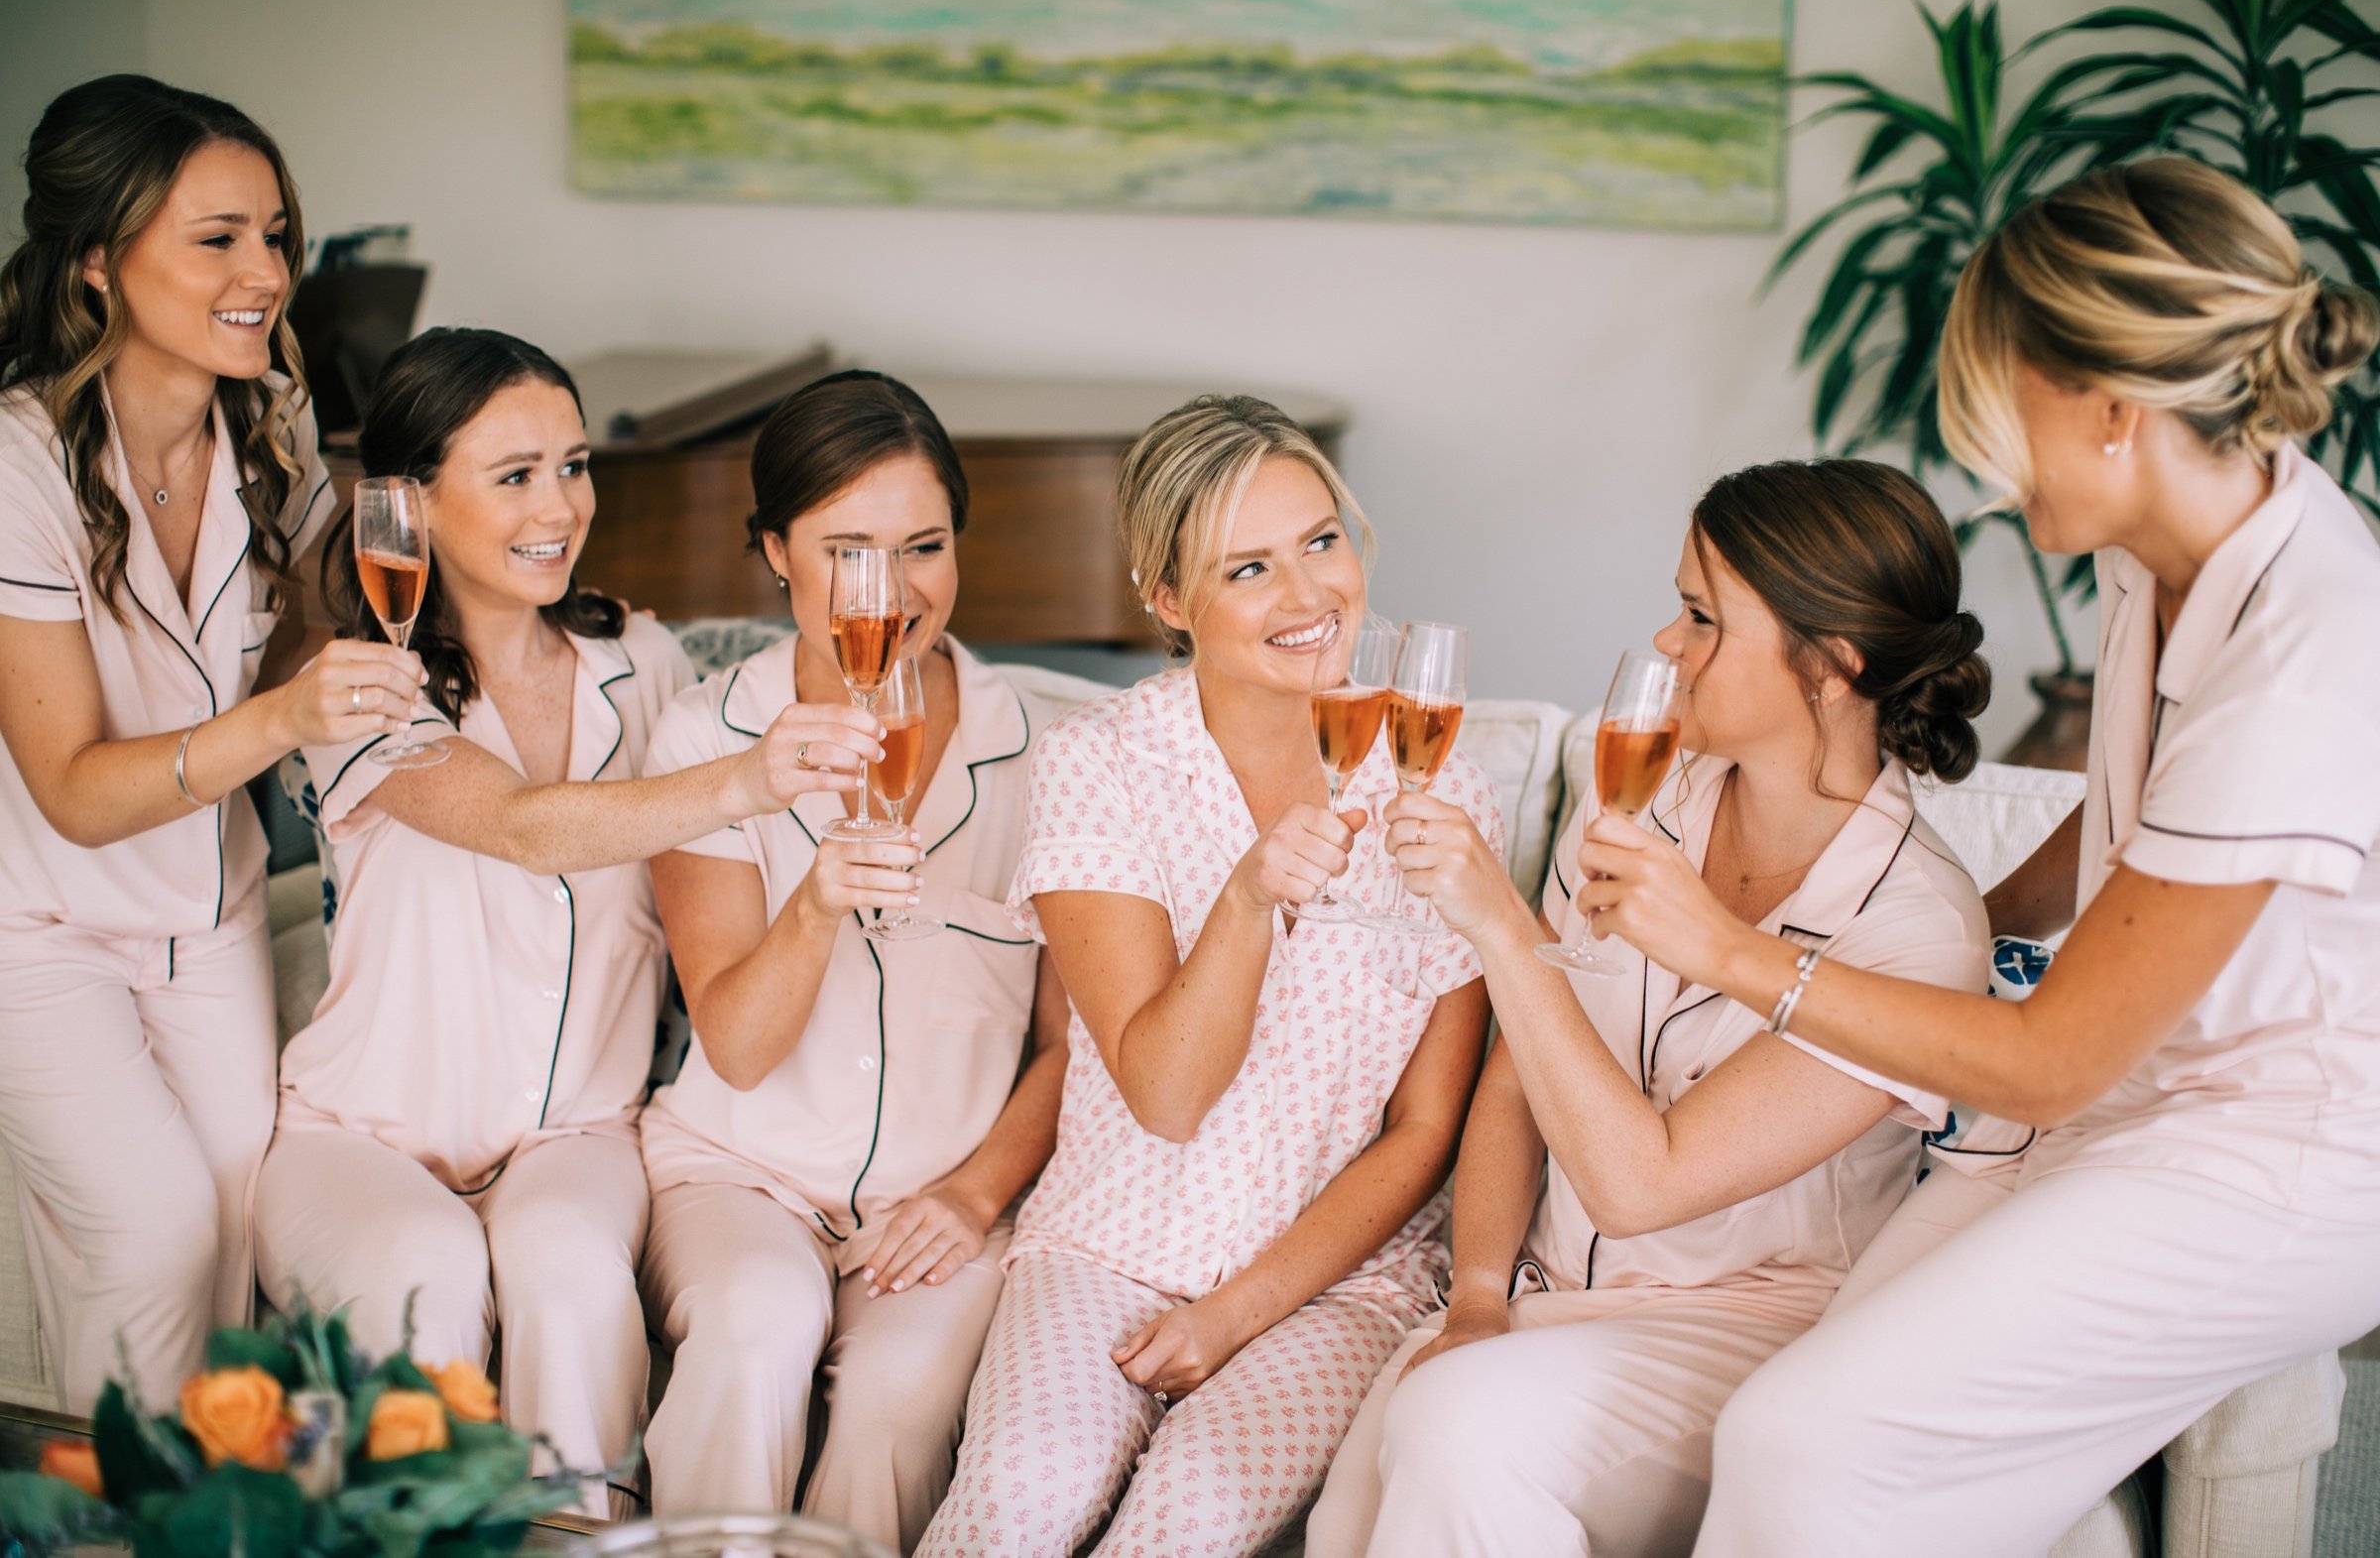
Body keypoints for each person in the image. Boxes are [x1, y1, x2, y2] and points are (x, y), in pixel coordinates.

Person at [1572, 159, 2380, 1557]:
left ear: (2113, 411)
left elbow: (2052, 1059)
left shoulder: (2304, 654)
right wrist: (1968, 917)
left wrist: (1726, 953)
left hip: (2270, 1155)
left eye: (2003, 412)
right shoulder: (2170, 544)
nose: (1990, 471)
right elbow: (2151, 818)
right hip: (2120, 1106)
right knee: (1815, 1410)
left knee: (1802, 1438)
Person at [1304, 457, 1992, 1558]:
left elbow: (1641, 1186)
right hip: (1537, 1299)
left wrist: (1499, 927)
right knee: (1361, 1511)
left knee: (1458, 1433)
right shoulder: (1650, 797)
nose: (1668, 645)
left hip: (1737, 1331)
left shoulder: (1915, 932)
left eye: (1700, 618)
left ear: (1832, 665)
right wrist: (1477, 1294)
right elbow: (1521, 1072)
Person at [253, 329, 879, 1515]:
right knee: (419, 1269)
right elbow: (530, 824)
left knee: (577, 1281)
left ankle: (594, 1540)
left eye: (574, 465)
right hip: (361, 1134)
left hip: (577, 1133)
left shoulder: (640, 660)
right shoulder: (356, 683)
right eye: (514, 475)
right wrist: (751, 777)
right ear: (413, 506)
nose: (561, 506)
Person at [916, 395, 1499, 1558]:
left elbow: (1425, 1124)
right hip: (1108, 1244)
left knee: (1190, 1514)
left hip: (1340, 1285)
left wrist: (1241, 1309)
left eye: (1320, 542)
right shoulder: (1100, 767)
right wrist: (1244, 899)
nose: (1309, 596)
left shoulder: (1441, 788)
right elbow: (1166, 1094)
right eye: (1249, 569)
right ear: (1171, 602)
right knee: (1017, 1496)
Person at [0, 74, 420, 1411]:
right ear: (96, 266)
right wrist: (287, 715)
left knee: (242, 1238)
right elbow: (69, 790)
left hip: (214, 916)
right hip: (41, 932)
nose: (265, 272)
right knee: (152, 1232)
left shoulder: (270, 447)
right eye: (218, 237)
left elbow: (319, 632)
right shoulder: (16, 471)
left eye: (277, 235)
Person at [636, 370, 1069, 1551]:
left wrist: (973, 1198)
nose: (895, 590)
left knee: (895, 1401)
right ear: (776, 552)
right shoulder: (704, 741)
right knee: (756, 1325)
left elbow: (1071, 1048)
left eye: (925, 546)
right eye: (848, 551)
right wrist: (818, 898)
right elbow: (737, 1041)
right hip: (742, 1173)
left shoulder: (1050, 755)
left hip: (948, 1198)